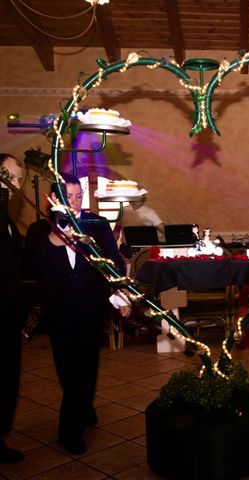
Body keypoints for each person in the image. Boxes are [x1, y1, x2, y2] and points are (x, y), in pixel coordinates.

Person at [24, 173, 131, 455]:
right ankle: (70, 429)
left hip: (90, 306)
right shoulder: (39, 230)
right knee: (68, 369)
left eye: (78, 195)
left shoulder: (96, 223)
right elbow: (31, 269)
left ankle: (82, 408)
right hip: (58, 311)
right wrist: (54, 240)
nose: (74, 202)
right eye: (68, 196)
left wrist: (121, 294)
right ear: (55, 200)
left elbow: (113, 263)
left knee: (88, 364)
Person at [0, 154, 25, 463]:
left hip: (8, 314)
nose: (18, 185)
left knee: (7, 379)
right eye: (14, 178)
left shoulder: (6, 215)